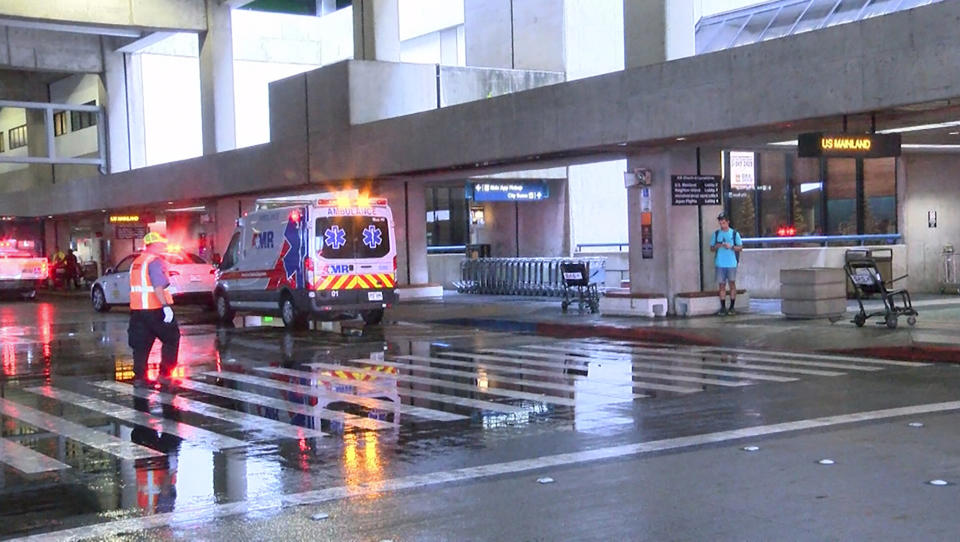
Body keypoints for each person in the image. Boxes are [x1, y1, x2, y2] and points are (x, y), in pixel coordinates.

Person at [128, 232, 180, 390]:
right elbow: (157, 286)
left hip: (138, 310)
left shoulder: (137, 262)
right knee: (172, 338)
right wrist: (166, 307)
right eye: (161, 244)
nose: (163, 247)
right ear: (154, 245)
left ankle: (140, 378)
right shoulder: (155, 261)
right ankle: (165, 376)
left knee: (141, 344)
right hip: (155, 308)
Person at [709, 212, 742, 316]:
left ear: (728, 222)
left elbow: (740, 247)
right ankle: (723, 307)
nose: (722, 225)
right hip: (720, 263)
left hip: (731, 263)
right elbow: (711, 248)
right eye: (720, 223)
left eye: (723, 222)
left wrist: (731, 247)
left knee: (732, 284)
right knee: (721, 285)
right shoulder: (716, 234)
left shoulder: (734, 233)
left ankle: (732, 306)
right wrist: (718, 246)